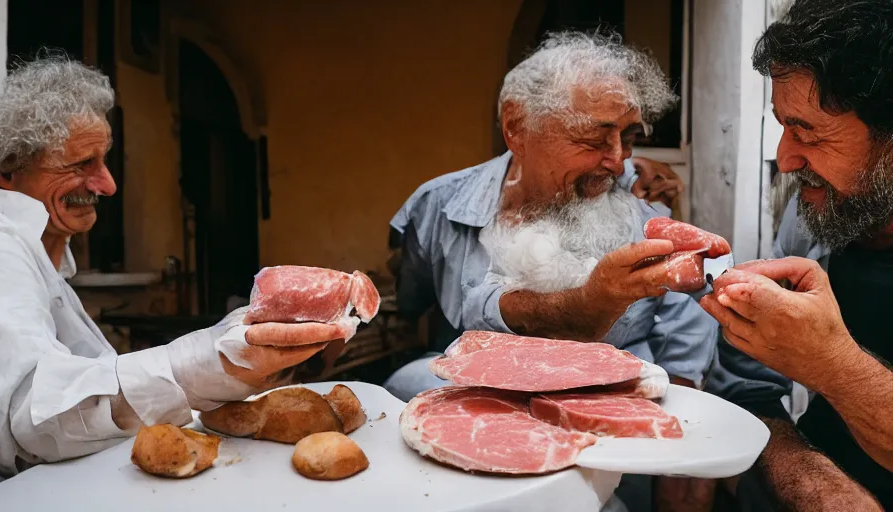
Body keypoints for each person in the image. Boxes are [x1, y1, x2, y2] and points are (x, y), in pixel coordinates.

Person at [0, 54, 336, 512]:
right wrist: (214, 359)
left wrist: (245, 366)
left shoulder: (27, 235)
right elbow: (29, 414)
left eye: (104, 160)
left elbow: (81, 377)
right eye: (82, 164)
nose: (108, 184)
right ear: (9, 166)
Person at [383, 32, 718, 512]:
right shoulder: (438, 207)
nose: (619, 158)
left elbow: (685, 377)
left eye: (628, 137)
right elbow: (411, 304)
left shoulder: (647, 228)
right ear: (516, 126)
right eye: (594, 138)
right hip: (475, 432)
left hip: (611, 443)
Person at [701, 1, 893, 510]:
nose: (785, 159)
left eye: (807, 132)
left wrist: (833, 365)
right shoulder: (815, 214)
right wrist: (812, 483)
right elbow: (745, 385)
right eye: (783, 126)